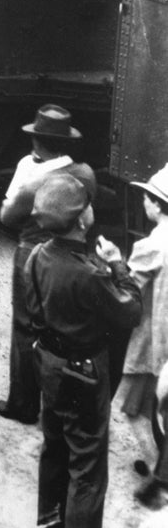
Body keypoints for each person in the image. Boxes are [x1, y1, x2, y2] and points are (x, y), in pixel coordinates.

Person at [25, 175, 141, 528]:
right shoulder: (90, 273)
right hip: (84, 375)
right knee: (88, 473)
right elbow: (130, 311)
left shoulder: (36, 255)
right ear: (80, 220)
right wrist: (117, 265)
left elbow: (35, 309)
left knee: (54, 451)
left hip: (49, 365)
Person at [0, 105, 96, 425]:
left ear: (36, 141)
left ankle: (23, 405)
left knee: (25, 327)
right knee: (62, 329)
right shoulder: (85, 173)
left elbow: (6, 217)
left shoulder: (32, 176)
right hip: (73, 255)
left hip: (33, 252)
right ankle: (63, 402)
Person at [120, 164, 168, 506]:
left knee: (133, 406)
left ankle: (158, 473)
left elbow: (126, 290)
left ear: (156, 204)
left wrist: (111, 263)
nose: (143, 203)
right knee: (160, 409)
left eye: (146, 198)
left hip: (153, 341)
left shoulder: (153, 245)